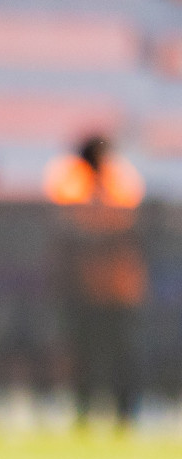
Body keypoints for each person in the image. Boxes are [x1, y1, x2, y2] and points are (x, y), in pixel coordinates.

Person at [45, 136, 147, 425]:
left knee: (122, 353)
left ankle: (125, 414)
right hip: (83, 287)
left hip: (118, 287)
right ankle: (84, 411)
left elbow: (124, 227)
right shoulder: (73, 179)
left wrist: (92, 236)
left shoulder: (121, 179)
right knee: (83, 352)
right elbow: (65, 226)